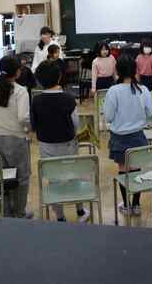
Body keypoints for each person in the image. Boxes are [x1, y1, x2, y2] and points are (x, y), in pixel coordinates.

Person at [30, 60, 90, 223]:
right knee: (73, 175)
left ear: (39, 80)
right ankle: (80, 210)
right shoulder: (68, 98)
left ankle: (60, 216)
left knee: (53, 178)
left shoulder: (36, 100)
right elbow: (75, 123)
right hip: (68, 144)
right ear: (59, 77)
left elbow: (33, 125)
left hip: (46, 145)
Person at [0, 56, 33, 219]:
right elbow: (23, 118)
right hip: (16, 140)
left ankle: (6, 212)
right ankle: (19, 213)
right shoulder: (20, 91)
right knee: (21, 177)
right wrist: (29, 130)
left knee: (2, 177)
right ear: (17, 72)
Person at [104, 55, 152, 216]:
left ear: (117, 71)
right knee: (136, 170)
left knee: (123, 171)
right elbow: (150, 112)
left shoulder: (113, 91)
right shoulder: (143, 89)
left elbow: (108, 117)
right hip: (138, 136)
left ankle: (126, 205)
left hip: (120, 138)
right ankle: (136, 205)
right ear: (134, 70)